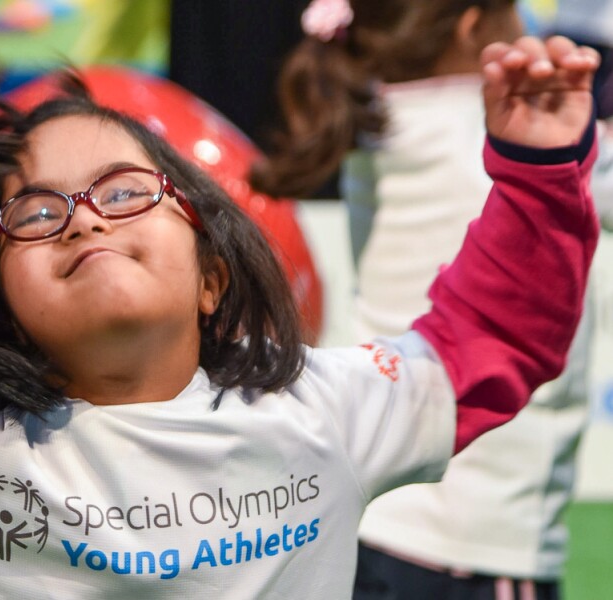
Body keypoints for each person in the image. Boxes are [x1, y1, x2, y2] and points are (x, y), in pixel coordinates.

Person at [0, 0, 600, 596]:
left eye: (125, 192)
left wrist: (537, 172)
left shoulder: (323, 413)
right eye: (36, 213)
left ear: (212, 273)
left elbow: (491, 335)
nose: (86, 220)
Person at [250, 1, 608, 598]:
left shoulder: (378, 118)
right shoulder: (498, 125)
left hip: (381, 509)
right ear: (474, 28)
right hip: (474, 537)